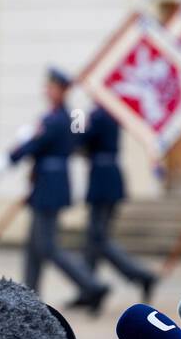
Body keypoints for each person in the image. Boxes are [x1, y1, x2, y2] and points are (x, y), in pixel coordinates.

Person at [10, 68, 109, 312]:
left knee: (47, 246)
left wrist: (14, 154)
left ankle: (92, 285)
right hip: (47, 183)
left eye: (52, 87)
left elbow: (35, 145)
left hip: (50, 185)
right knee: (34, 246)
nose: (47, 91)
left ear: (62, 91)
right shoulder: (59, 117)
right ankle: (28, 297)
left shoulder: (57, 119)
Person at [79, 105, 157, 301]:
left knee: (99, 238)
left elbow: (80, 139)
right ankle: (88, 288)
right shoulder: (110, 112)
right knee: (93, 238)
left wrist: (77, 121)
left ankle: (142, 275)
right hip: (108, 178)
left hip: (103, 181)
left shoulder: (99, 114)